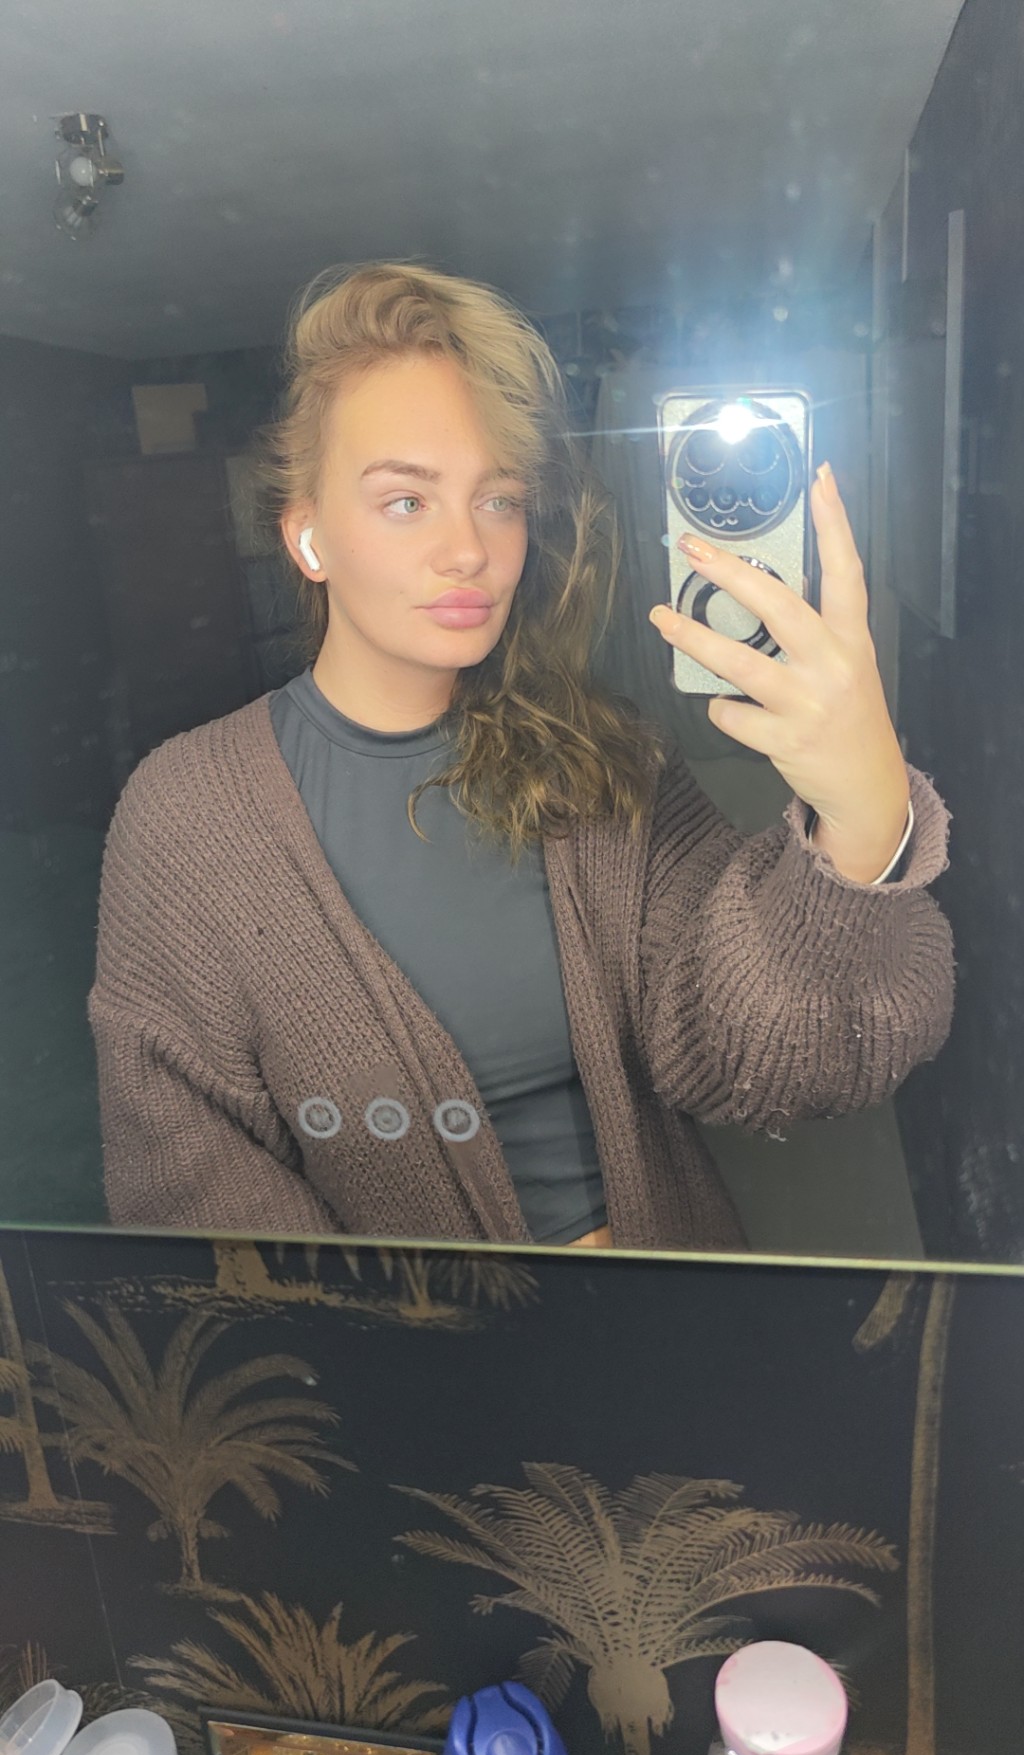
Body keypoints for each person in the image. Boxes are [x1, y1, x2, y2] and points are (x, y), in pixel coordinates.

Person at [88, 261, 954, 1249]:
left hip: (671, 1317)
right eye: (407, 501)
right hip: (387, 1346)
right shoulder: (184, 814)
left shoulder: (605, 759)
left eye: (499, 499)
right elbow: (188, 1193)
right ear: (309, 534)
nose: (469, 549)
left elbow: (763, 1068)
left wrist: (862, 828)